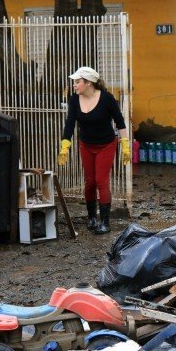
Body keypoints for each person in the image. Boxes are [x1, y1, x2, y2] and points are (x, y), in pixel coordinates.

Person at [58, 67, 130, 234]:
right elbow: (70, 123)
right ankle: (91, 217)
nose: (74, 85)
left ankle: (105, 222)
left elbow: (120, 122)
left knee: (101, 181)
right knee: (90, 182)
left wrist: (125, 145)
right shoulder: (74, 99)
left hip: (106, 144)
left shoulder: (107, 99)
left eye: (77, 82)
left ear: (88, 83)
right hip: (86, 145)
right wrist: (65, 146)